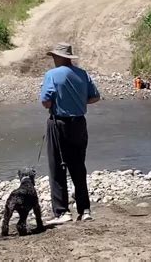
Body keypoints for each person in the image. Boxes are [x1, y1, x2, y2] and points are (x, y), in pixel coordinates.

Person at [40, 43, 100, 225]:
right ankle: (85, 210)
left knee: (58, 167)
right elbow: (95, 96)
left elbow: (46, 102)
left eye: (54, 56)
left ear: (59, 57)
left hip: (59, 123)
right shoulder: (82, 74)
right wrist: (78, 102)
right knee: (78, 167)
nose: (53, 59)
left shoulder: (52, 75)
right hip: (80, 123)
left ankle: (62, 212)